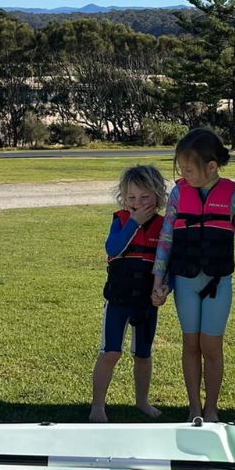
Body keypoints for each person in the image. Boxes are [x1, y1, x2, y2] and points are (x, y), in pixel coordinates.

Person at [151, 129, 235, 422]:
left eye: (188, 169)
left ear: (211, 166)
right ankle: (194, 407)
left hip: (218, 282)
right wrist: (158, 280)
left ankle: (212, 408)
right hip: (185, 280)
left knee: (211, 346)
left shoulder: (234, 195)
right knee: (191, 344)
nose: (183, 174)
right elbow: (166, 238)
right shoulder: (178, 193)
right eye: (181, 169)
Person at [90, 165, 168, 423]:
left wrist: (165, 288)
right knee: (111, 352)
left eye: (145, 197)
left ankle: (142, 401)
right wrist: (134, 222)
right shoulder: (121, 219)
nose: (137, 203)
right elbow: (113, 247)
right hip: (119, 300)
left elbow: (169, 262)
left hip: (146, 304)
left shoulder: (164, 225)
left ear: (158, 196)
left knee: (143, 355)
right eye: (131, 198)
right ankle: (98, 405)